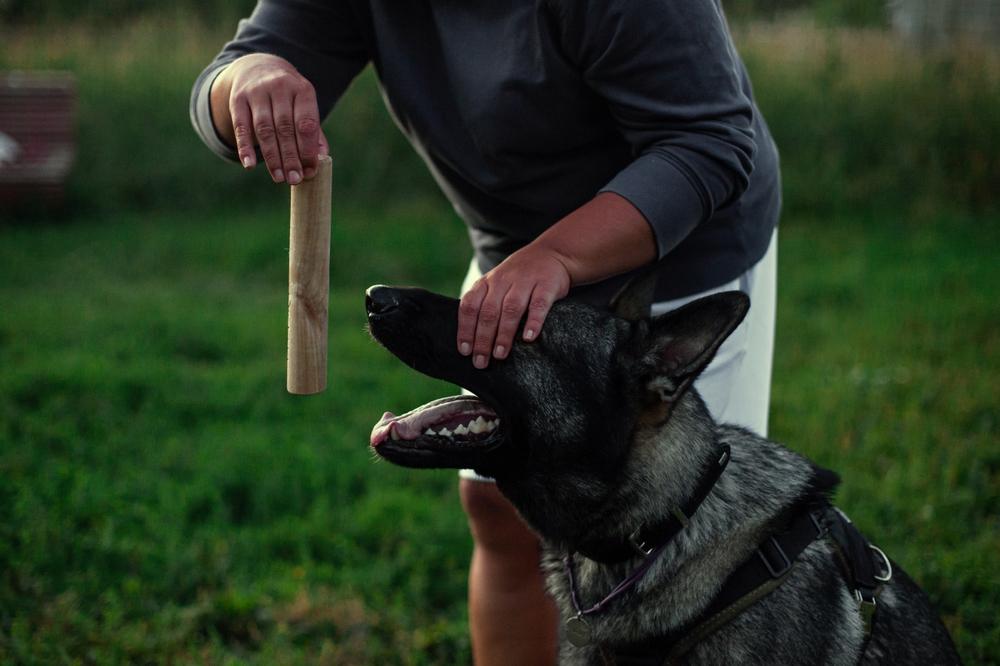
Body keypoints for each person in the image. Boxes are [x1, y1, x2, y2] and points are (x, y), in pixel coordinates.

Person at [191, 2, 780, 663]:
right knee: (502, 513)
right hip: (517, 256)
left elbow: (708, 144)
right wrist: (248, 81)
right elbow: (227, 76)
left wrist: (557, 258)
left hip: (676, 256)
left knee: (673, 549)